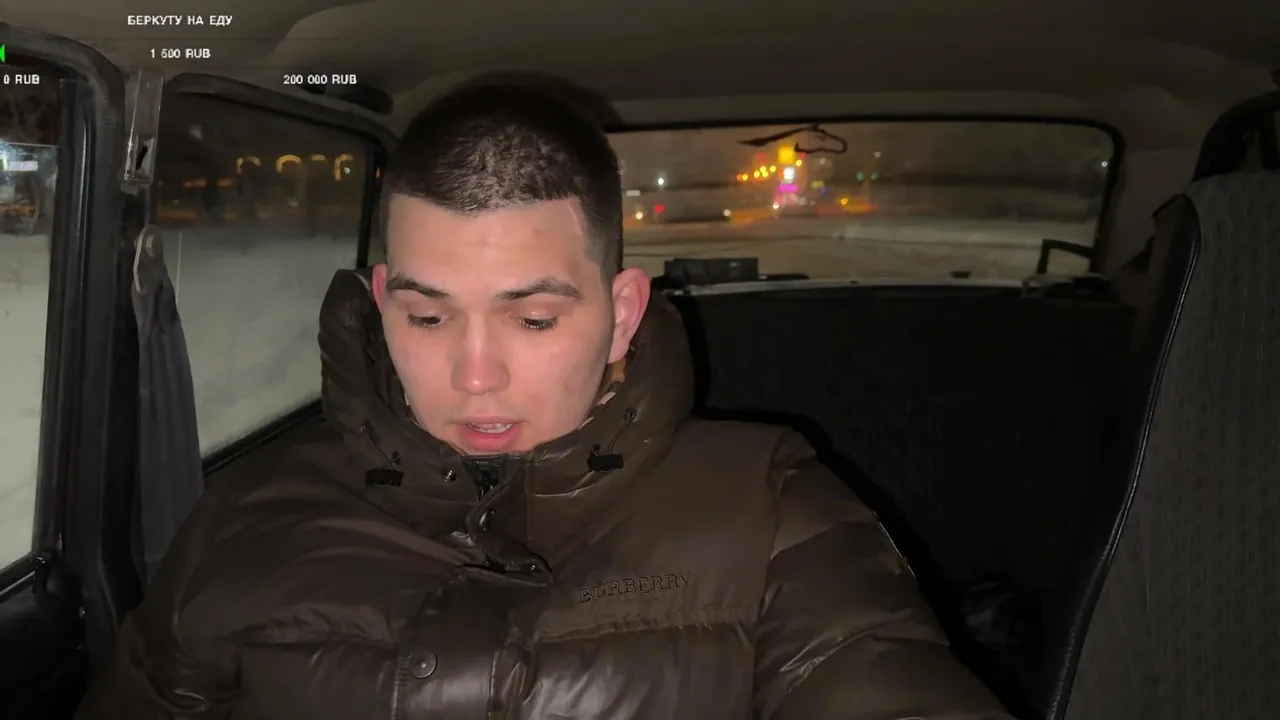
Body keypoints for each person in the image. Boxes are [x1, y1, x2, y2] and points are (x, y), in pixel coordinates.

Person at [76, 81, 1013, 719]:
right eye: (428, 317)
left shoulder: (772, 507)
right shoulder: (245, 515)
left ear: (621, 313)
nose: (474, 376)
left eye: (532, 320)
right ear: (381, 303)